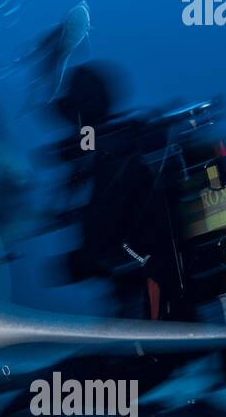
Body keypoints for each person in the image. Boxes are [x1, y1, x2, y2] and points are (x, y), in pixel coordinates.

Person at [44, 62, 176, 320]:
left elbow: (110, 241)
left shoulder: (112, 158)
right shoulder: (135, 144)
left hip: (140, 273)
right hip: (157, 267)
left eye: (72, 116)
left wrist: (79, 262)